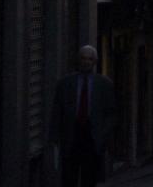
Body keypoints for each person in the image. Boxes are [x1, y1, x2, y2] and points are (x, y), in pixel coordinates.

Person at [49, 44, 116, 187]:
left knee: (89, 178)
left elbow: (111, 113)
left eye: (90, 59)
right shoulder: (65, 84)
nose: (86, 62)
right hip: (71, 136)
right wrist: (55, 137)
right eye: (83, 58)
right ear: (78, 60)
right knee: (68, 177)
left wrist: (103, 134)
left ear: (95, 62)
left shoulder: (104, 84)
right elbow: (57, 111)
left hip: (92, 137)